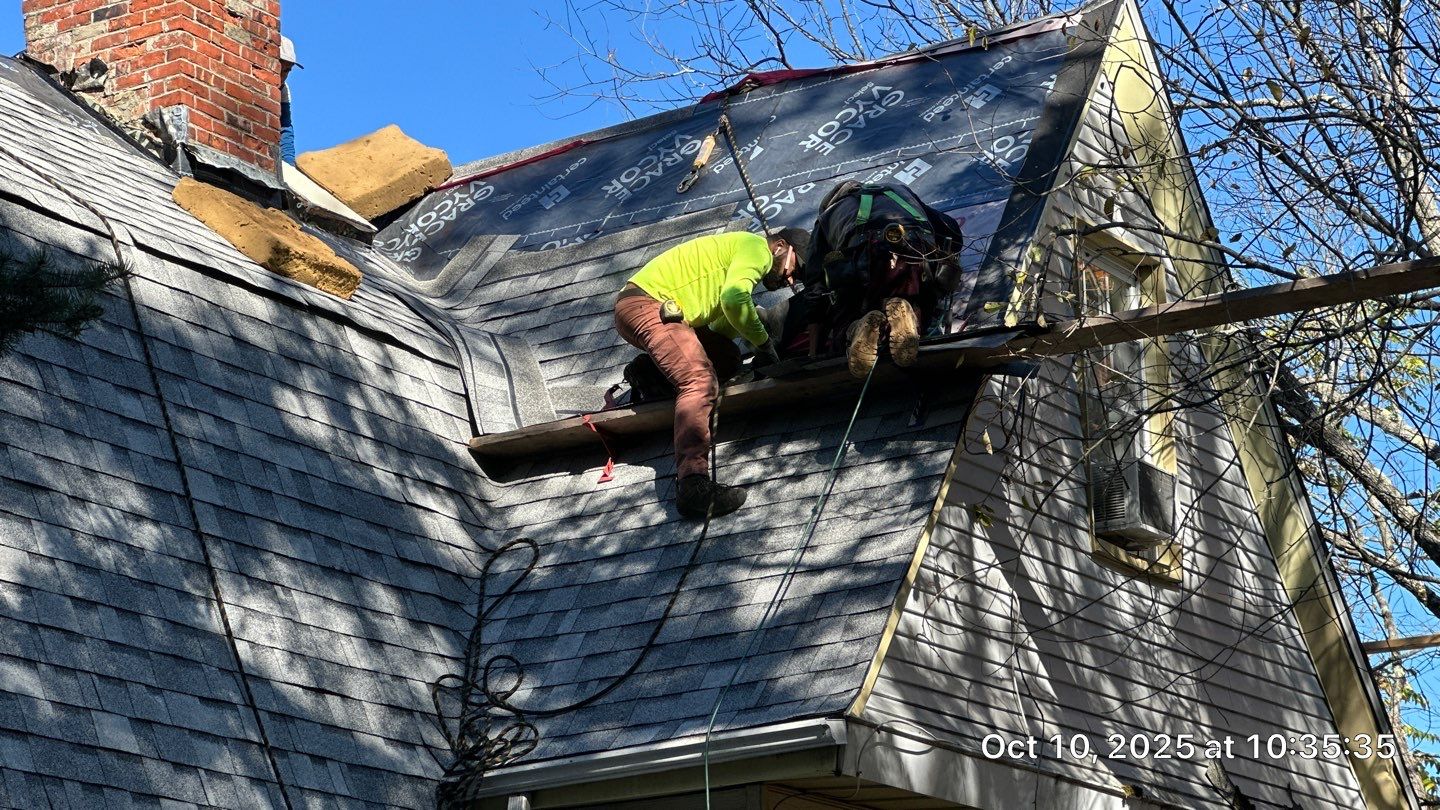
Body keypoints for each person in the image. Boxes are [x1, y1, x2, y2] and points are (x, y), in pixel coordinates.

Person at [614, 227, 810, 519]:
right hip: (650, 304)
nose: (790, 279)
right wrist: (764, 344)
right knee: (699, 381)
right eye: (796, 269)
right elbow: (734, 299)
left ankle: (652, 375)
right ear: (780, 246)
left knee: (726, 359)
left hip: (657, 309)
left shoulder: (736, 261)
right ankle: (693, 485)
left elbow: (726, 320)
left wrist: (757, 339)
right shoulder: (756, 248)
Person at [797, 180, 964, 377]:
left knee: (843, 307)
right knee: (925, 297)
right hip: (916, 248)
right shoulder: (898, 190)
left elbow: (814, 283)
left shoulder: (828, 215)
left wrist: (814, 349)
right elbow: (951, 228)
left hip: (864, 254)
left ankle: (854, 328)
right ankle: (912, 315)